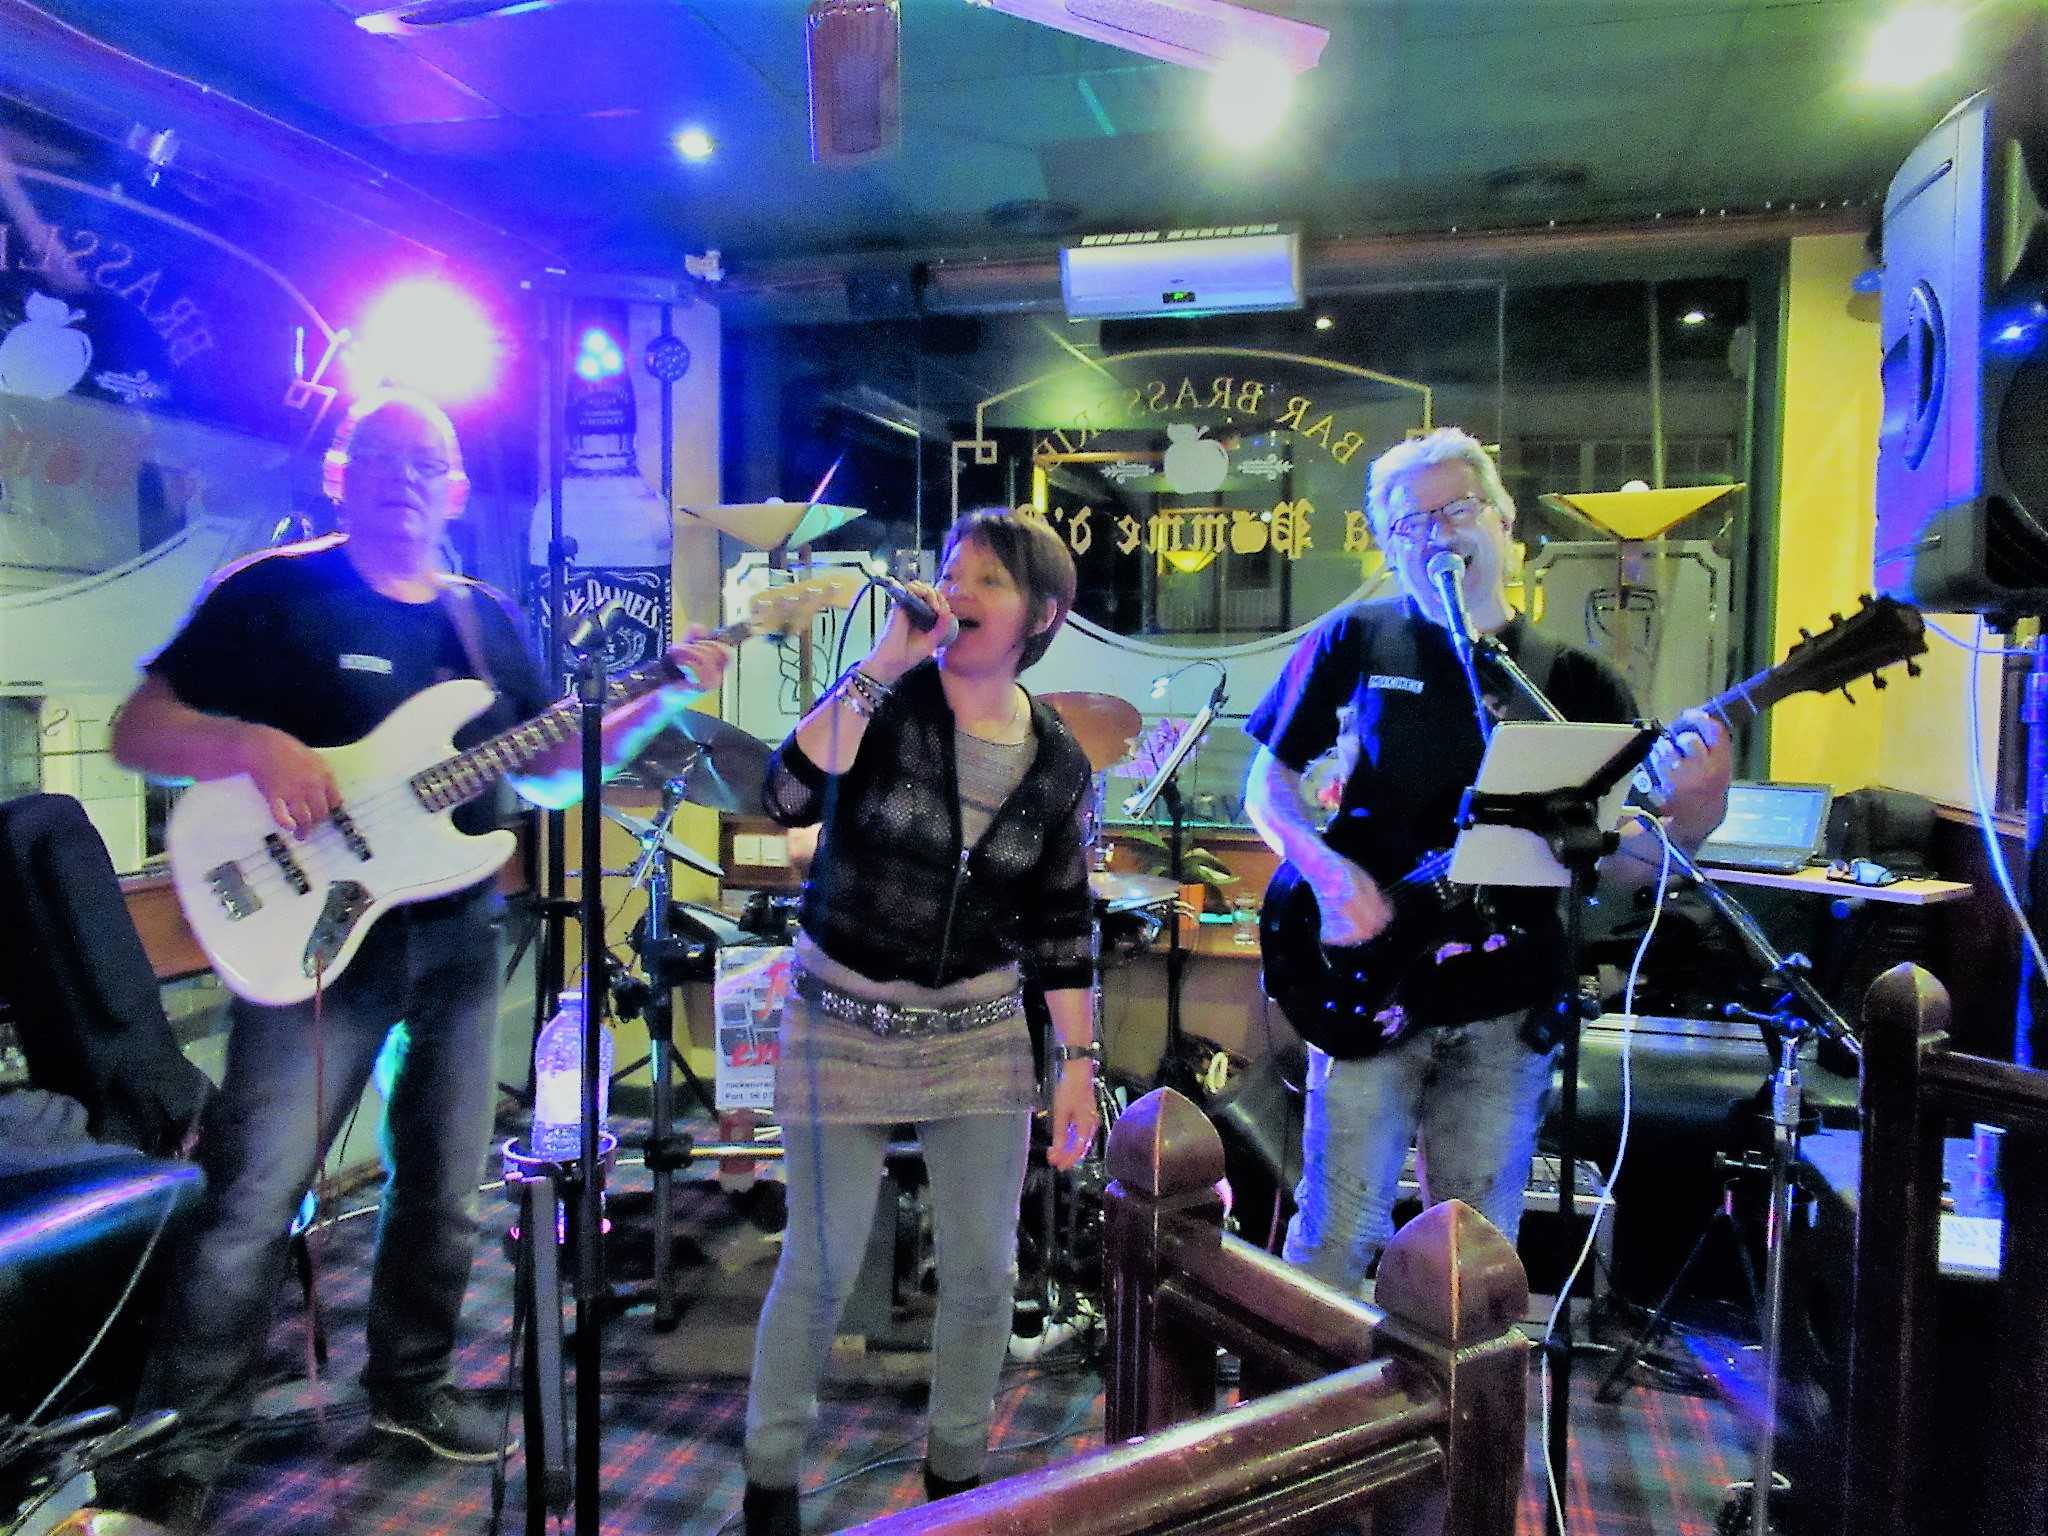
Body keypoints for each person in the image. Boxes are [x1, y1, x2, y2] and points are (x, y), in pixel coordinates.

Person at [105, 387, 729, 1528]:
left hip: (454, 931)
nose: (405, 474)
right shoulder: (271, 593)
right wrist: (252, 744)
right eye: (381, 454)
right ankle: (175, 1449)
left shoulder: (484, 623)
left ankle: (410, 1386)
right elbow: (136, 732)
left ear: (455, 488)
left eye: (427, 459)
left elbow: (550, 774)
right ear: (340, 473)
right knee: (254, 1197)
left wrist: (657, 697)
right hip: (308, 936)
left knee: (444, 1185)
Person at [1242, 427, 1731, 1295]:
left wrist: (1693, 817)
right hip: (1369, 982)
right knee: (1337, 1237)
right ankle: (1315, 1381)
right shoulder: (1358, 639)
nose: (1436, 533)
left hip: (1507, 1003)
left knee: (1473, 1259)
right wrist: (1324, 871)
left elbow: (1620, 867)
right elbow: (1266, 784)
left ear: (1505, 524)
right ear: (1389, 547)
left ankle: (1449, 1392)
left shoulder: (1574, 682)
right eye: (1411, 522)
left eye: (1456, 510)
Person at [741, 509, 1099, 1536]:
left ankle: (957, 1481)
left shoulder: (1056, 762)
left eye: (988, 579)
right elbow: (786, 795)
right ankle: (769, 1482)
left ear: (1042, 615)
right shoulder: (890, 701)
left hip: (977, 1031)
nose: (959, 592)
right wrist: (882, 660)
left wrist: (1076, 1062)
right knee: (821, 1263)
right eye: (953, 571)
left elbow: (1061, 921)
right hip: (839, 1017)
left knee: (984, 1273)